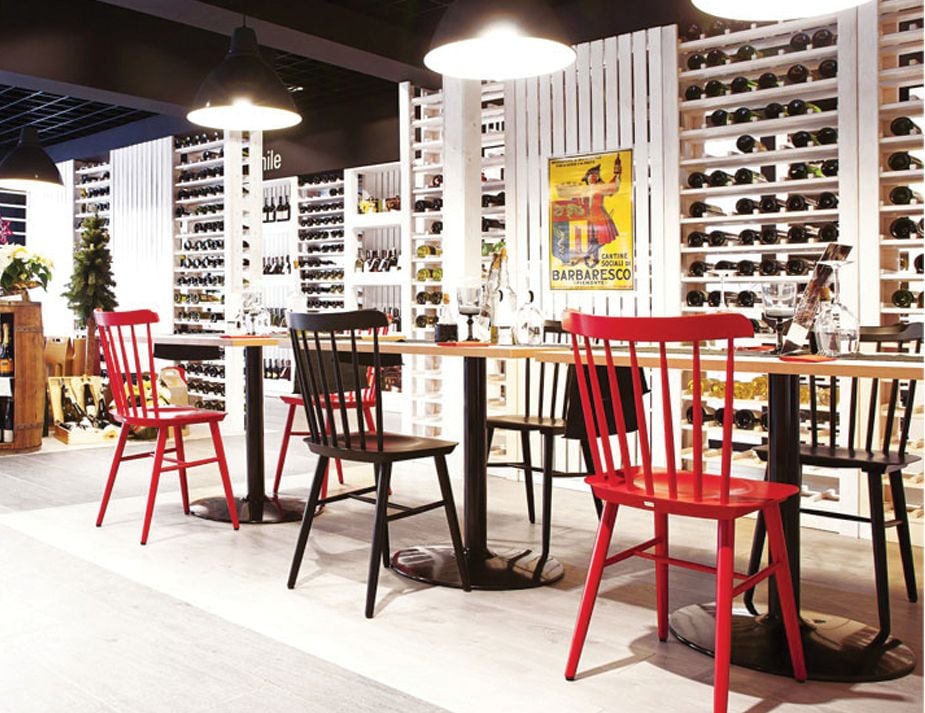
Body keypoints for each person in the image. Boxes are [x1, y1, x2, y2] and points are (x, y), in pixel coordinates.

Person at [582, 155, 621, 266]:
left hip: (599, 215)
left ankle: (588, 253)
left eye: (594, 175)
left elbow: (611, 189)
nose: (592, 178)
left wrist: (617, 176)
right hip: (589, 217)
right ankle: (595, 258)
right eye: (590, 176)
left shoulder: (600, 186)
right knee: (592, 238)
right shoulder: (586, 188)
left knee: (603, 238)